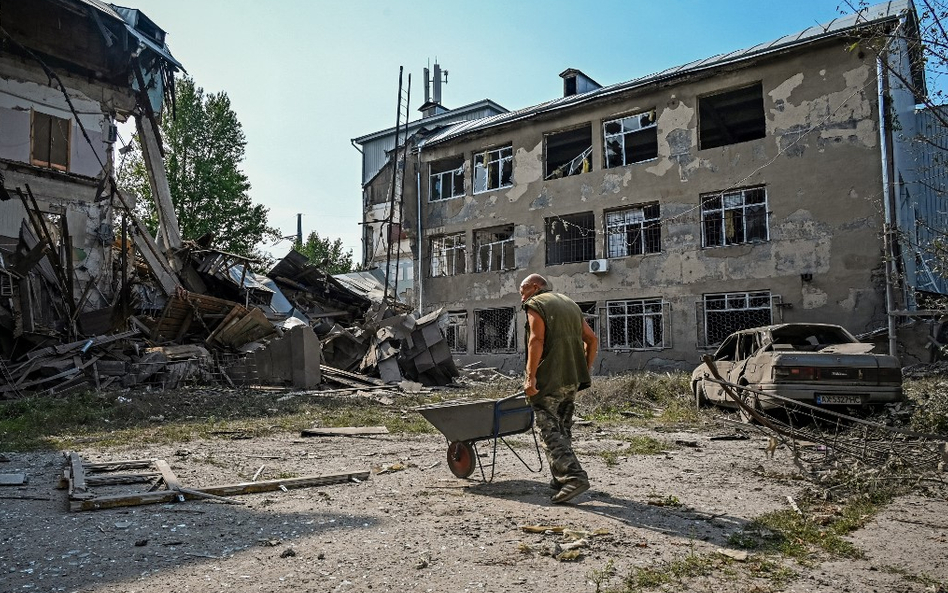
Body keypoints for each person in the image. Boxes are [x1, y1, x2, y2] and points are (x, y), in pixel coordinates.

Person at [519, 273, 598, 504]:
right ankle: (560, 477)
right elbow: (592, 339)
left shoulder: (535, 304)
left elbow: (536, 340)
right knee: (563, 427)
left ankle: (573, 477)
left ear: (534, 287)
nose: (521, 296)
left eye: (522, 290)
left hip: (550, 379)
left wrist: (530, 377)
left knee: (549, 429)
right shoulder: (569, 303)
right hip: (571, 378)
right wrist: (584, 367)